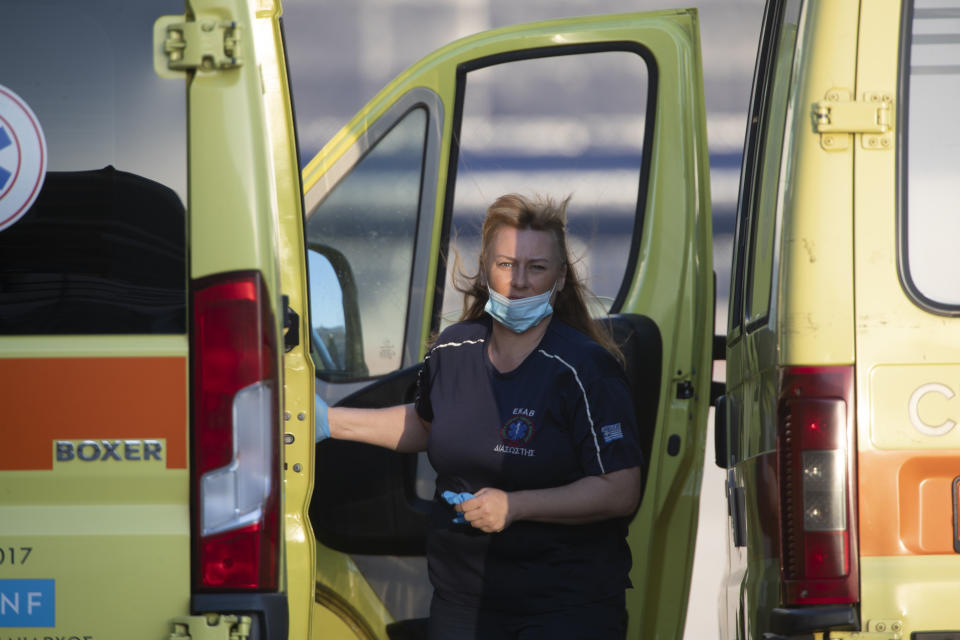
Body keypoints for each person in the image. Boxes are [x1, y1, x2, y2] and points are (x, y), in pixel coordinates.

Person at [315, 193, 644, 639]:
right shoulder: (453, 350)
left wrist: (516, 506)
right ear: (486, 269)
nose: (520, 281)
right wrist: (328, 422)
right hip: (461, 602)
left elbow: (620, 490)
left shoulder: (585, 368)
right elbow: (426, 423)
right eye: (506, 264)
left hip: (565, 606)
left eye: (537, 267)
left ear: (561, 278)